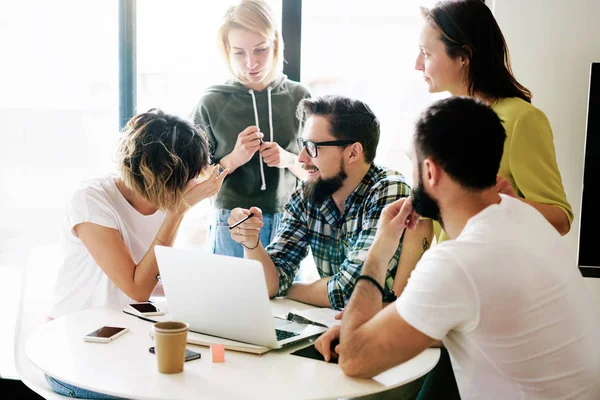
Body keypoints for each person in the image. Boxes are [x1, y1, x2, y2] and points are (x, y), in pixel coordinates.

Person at [314, 97, 600, 399]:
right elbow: (464, 315)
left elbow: (354, 360)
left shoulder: (458, 261)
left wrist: (380, 248)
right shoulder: (525, 217)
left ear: (430, 172)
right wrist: (377, 325)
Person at [46, 109, 225, 398]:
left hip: (126, 338)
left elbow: (151, 278)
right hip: (77, 347)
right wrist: (177, 213)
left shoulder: (166, 196)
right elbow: (136, 288)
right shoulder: (91, 200)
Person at [227, 95, 432, 310]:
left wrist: (290, 289)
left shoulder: (388, 191)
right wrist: (251, 241)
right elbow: (268, 284)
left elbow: (351, 291)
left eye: (314, 147)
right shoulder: (307, 195)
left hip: (386, 334)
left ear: (353, 152)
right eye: (303, 145)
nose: (301, 158)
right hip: (332, 326)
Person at [415, 0, 573, 240]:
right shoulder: (438, 123)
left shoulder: (522, 119)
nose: (417, 64)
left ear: (463, 57)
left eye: (426, 53)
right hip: (448, 270)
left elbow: (560, 220)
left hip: (492, 273)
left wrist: (504, 203)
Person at [191, 0, 310, 258]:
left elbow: (318, 174)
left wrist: (288, 159)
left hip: (290, 222)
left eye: (260, 50)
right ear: (226, 50)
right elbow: (194, 183)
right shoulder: (212, 102)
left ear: (275, 43)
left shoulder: (300, 97)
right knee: (229, 298)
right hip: (232, 222)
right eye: (239, 53)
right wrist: (233, 160)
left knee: (288, 300)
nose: (250, 63)